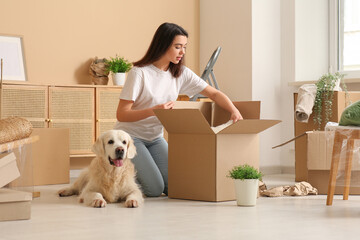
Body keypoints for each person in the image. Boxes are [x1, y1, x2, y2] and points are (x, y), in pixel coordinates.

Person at [114, 22, 243, 197]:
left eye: (184, 47)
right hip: (130, 138)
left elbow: (214, 93)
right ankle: (119, 177)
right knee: (154, 189)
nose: (182, 52)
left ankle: (135, 174)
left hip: (155, 138)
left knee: (176, 185)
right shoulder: (140, 73)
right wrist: (155, 110)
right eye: (177, 47)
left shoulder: (181, 73)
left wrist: (233, 110)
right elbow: (122, 114)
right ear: (162, 45)